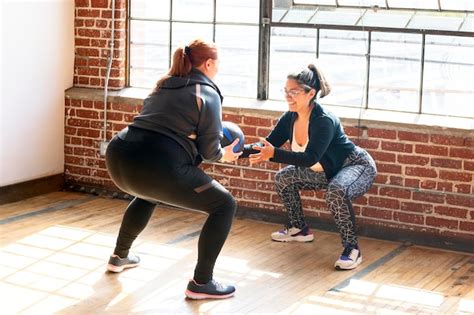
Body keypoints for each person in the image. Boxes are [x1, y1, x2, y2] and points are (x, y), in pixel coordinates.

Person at [105, 39, 242, 299]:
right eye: (218, 63)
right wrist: (228, 155)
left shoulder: (163, 84)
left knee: (148, 194)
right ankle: (202, 283)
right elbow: (211, 152)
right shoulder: (208, 93)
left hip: (119, 156)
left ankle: (119, 256)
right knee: (224, 205)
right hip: (158, 163)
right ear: (209, 63)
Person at [242, 64, 377, 270]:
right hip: (326, 169)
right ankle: (299, 229)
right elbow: (269, 144)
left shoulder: (324, 121)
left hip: (355, 165)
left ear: (311, 93)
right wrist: (238, 151)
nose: (288, 96)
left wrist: (273, 154)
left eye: (294, 92)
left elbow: (309, 158)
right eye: (286, 91)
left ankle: (352, 249)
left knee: (337, 191)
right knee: (283, 178)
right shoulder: (290, 117)